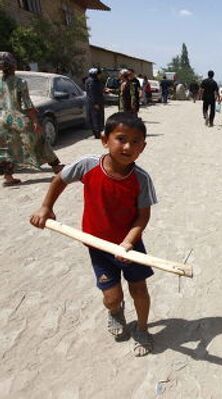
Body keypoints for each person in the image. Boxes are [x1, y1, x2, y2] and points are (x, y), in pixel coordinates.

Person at [30, 112, 157, 357]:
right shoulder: (88, 165)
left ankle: (142, 329)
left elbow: (143, 216)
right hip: (97, 245)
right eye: (121, 138)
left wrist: (129, 241)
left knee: (139, 290)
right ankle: (115, 312)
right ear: (104, 140)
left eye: (135, 141)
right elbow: (60, 179)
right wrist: (47, 207)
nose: (128, 146)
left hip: (130, 246)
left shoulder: (141, 179)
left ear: (143, 147)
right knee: (111, 297)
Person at [0, 51, 63, 186]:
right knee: (39, 139)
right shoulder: (20, 82)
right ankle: (56, 167)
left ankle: (8, 177)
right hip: (18, 118)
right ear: (13, 65)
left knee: (7, 148)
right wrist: (35, 121)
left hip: (2, 120)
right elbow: (27, 104)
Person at [84, 68, 105, 139]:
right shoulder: (92, 82)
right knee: (95, 118)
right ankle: (97, 134)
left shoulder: (96, 81)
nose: (100, 76)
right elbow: (92, 93)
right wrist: (95, 103)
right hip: (94, 103)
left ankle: (98, 133)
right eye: (99, 74)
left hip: (97, 102)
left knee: (97, 117)